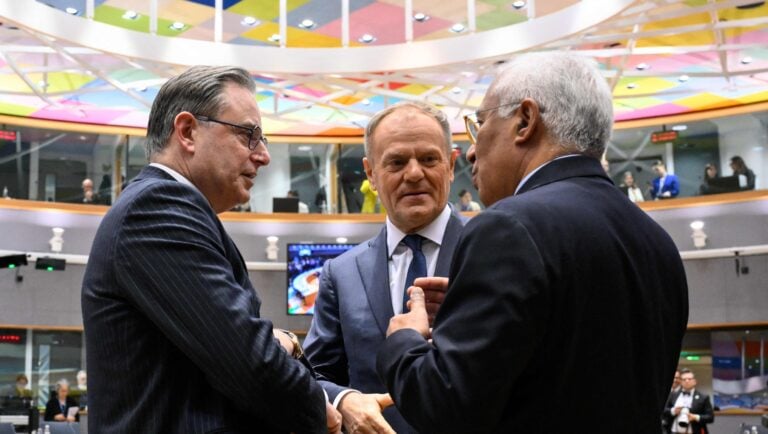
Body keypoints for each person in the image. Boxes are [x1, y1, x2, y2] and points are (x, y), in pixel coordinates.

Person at [376, 52, 689, 433]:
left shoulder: (507, 227)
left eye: (480, 124)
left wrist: (403, 339)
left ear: (525, 121)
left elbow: (444, 407)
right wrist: (474, 317)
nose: (471, 151)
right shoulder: (657, 241)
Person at [81, 66, 338, 434]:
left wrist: (278, 344)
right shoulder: (157, 208)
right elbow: (250, 363)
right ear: (188, 131)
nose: (263, 156)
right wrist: (322, 409)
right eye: (249, 135)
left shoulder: (170, 209)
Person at [304, 101, 465, 434]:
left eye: (429, 159)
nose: (414, 173)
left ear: (451, 165)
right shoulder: (342, 273)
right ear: (371, 174)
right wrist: (344, 400)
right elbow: (314, 375)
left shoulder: (492, 253)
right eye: (396, 162)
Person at [663, 369, 714, 434]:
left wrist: (695, 417)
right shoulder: (672, 395)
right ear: (681, 382)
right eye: (684, 379)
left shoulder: (703, 397)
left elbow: (710, 417)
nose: (687, 381)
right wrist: (673, 411)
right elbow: (663, 410)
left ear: (695, 381)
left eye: (689, 379)